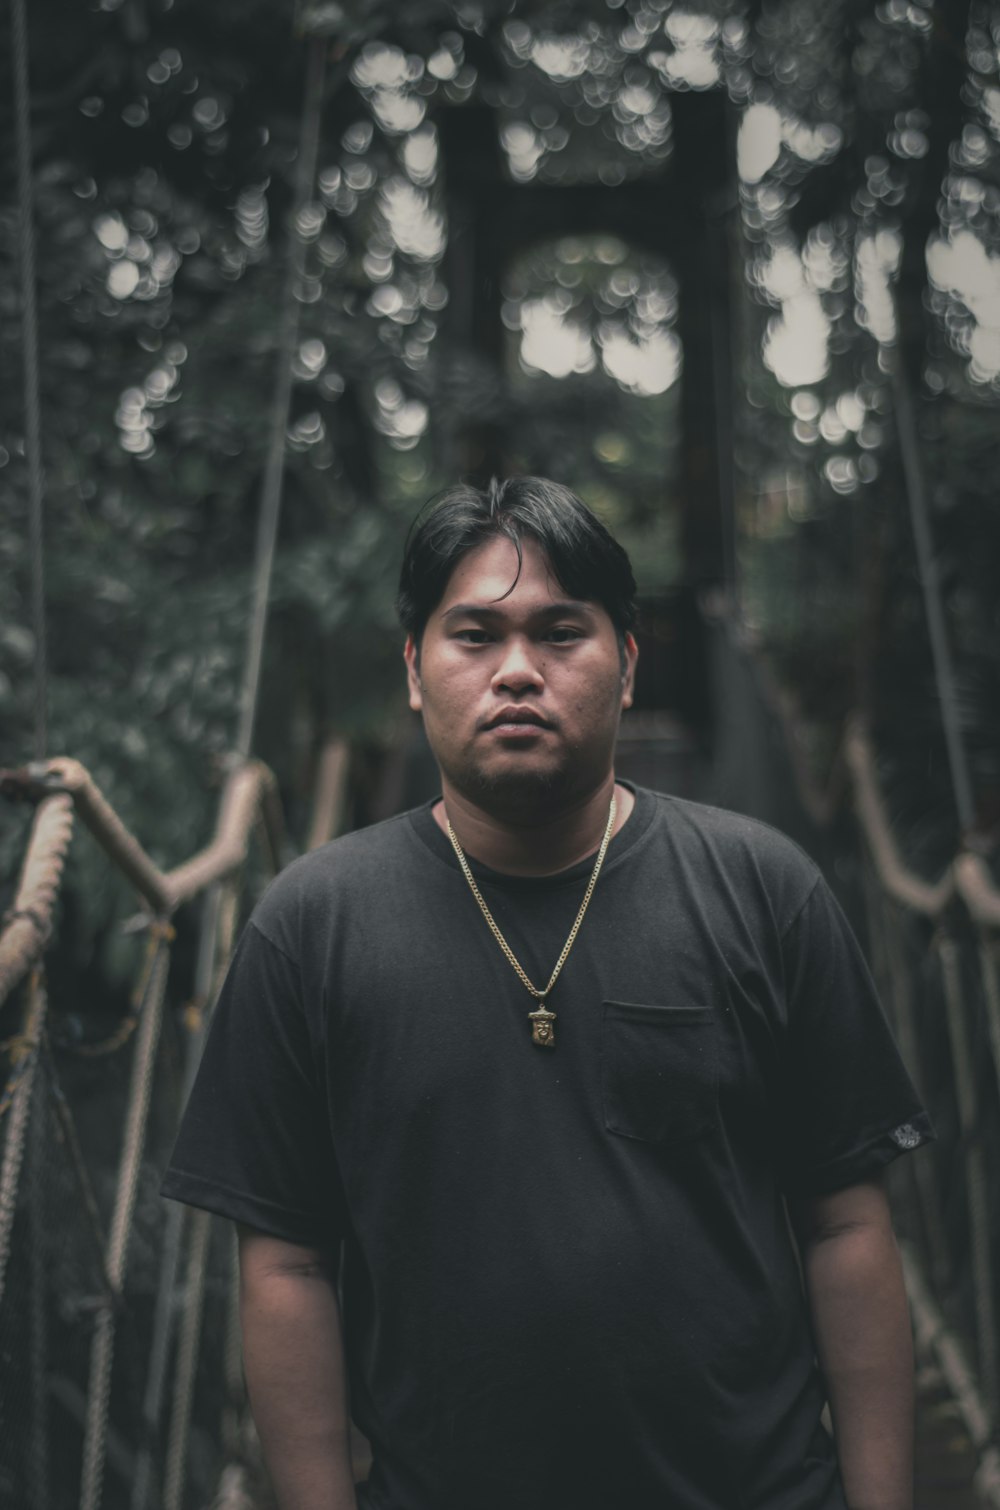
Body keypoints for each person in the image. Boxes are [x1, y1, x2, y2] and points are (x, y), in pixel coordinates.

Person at [163, 476, 932, 1510]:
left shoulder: (765, 890)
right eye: (473, 634)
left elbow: (844, 1225)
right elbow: (287, 1267)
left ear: (624, 667)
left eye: (560, 632)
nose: (516, 670)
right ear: (412, 670)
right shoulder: (310, 926)